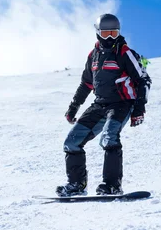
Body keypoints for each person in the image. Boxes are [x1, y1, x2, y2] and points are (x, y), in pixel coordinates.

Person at [56, 13, 151, 197]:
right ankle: (76, 184)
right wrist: (73, 108)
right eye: (106, 33)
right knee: (72, 142)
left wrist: (138, 110)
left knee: (109, 138)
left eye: (113, 34)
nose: (109, 38)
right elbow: (86, 84)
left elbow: (143, 81)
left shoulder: (125, 53)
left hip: (121, 104)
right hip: (99, 105)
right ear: (98, 33)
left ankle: (112, 185)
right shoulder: (93, 56)